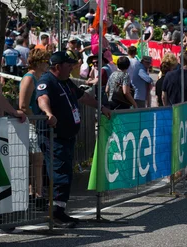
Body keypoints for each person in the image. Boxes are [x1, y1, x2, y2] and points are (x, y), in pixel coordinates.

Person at [36, 51, 111, 228]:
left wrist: (100, 106)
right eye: (68, 65)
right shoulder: (47, 81)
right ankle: (55, 214)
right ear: (57, 67)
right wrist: (48, 113)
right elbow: (42, 98)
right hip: (53, 137)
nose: (71, 68)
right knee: (60, 174)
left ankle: (60, 211)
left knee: (65, 173)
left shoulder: (66, 82)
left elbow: (82, 97)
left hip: (67, 136)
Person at [18, 49, 51, 209]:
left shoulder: (38, 77)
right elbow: (23, 105)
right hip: (31, 123)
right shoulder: (29, 78)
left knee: (37, 160)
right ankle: (37, 194)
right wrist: (35, 120)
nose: (47, 65)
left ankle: (35, 192)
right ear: (38, 62)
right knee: (37, 159)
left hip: (36, 123)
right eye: (45, 61)